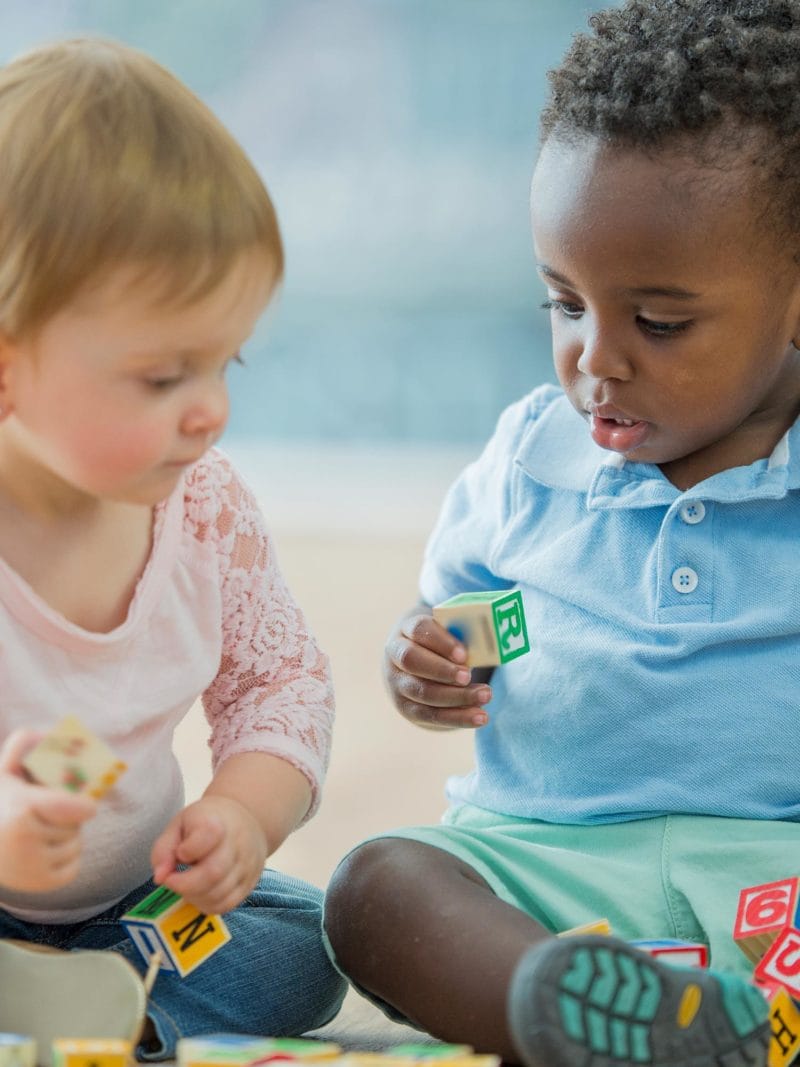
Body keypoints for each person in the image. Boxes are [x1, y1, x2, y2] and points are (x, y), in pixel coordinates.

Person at [323, 2, 800, 1065]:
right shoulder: (528, 459)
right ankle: (571, 1008)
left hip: (774, 872)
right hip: (549, 867)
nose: (594, 356)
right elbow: (461, 618)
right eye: (561, 302)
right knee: (376, 885)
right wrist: (425, 664)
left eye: (657, 322)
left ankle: (713, 1015)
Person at [0, 37, 346, 1060]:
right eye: (163, 378)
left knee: (307, 940)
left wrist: (244, 811)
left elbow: (279, 679)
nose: (211, 412)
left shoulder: (203, 512)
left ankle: (96, 1018)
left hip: (128, 912)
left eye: (224, 360)